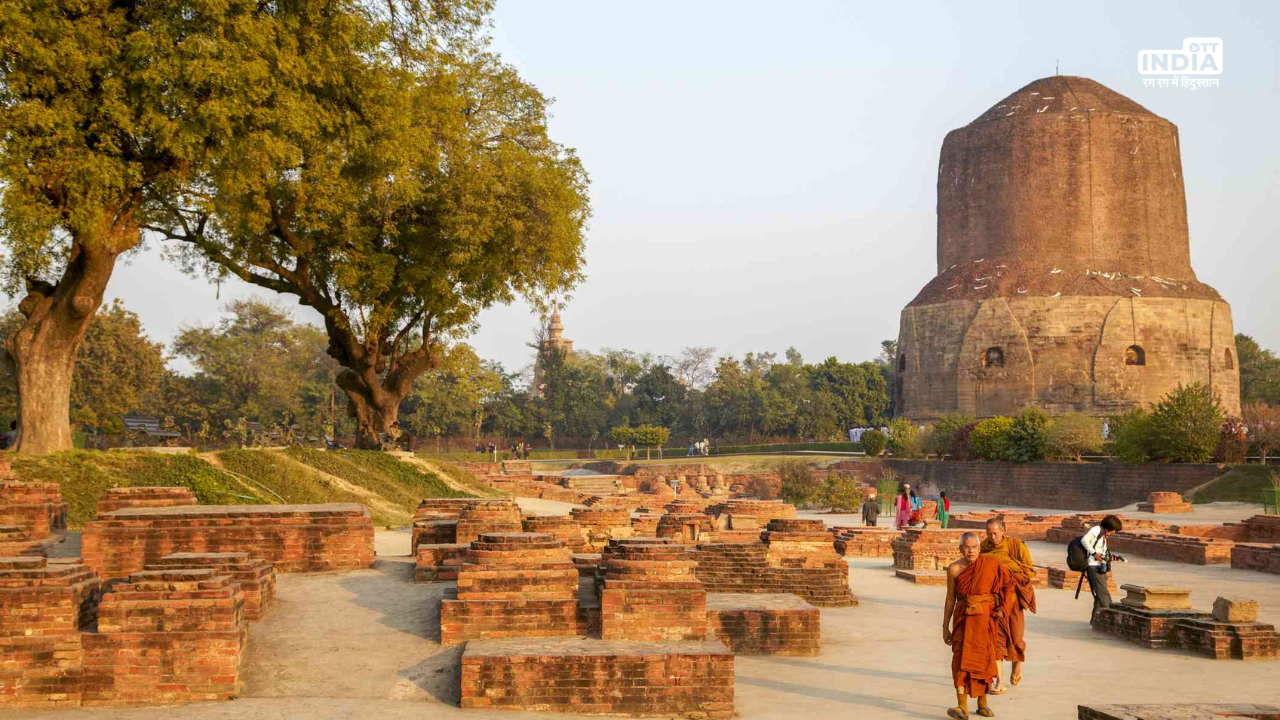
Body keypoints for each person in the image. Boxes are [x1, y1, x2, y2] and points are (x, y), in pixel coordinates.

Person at [944, 532, 1016, 719]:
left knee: (984, 659)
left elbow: (1009, 585)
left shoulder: (991, 565)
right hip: (963, 618)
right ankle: (962, 706)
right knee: (960, 661)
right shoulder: (954, 569)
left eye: (974, 547)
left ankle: (982, 703)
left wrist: (1003, 609)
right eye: (967, 547)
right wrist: (945, 626)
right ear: (961, 549)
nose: (971, 551)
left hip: (986, 619)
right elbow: (950, 598)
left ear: (979, 548)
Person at [981, 519, 1036, 692]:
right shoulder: (983, 547)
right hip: (995, 601)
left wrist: (1005, 568)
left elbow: (1029, 571)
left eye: (995, 533)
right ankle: (1000, 682)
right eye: (989, 533)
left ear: (1004, 531)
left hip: (1014, 599)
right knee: (996, 639)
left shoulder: (1016, 546)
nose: (992, 536)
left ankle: (1016, 664)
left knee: (1016, 636)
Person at [1082, 514, 1124, 621]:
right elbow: (1084, 540)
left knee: (1100, 595)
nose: (1114, 532)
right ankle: (1113, 618)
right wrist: (1094, 553)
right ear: (1107, 527)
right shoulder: (1096, 530)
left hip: (1100, 567)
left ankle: (1095, 620)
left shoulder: (1104, 536)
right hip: (1093, 567)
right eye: (1114, 530)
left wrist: (1111, 558)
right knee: (1103, 594)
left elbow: (1103, 553)